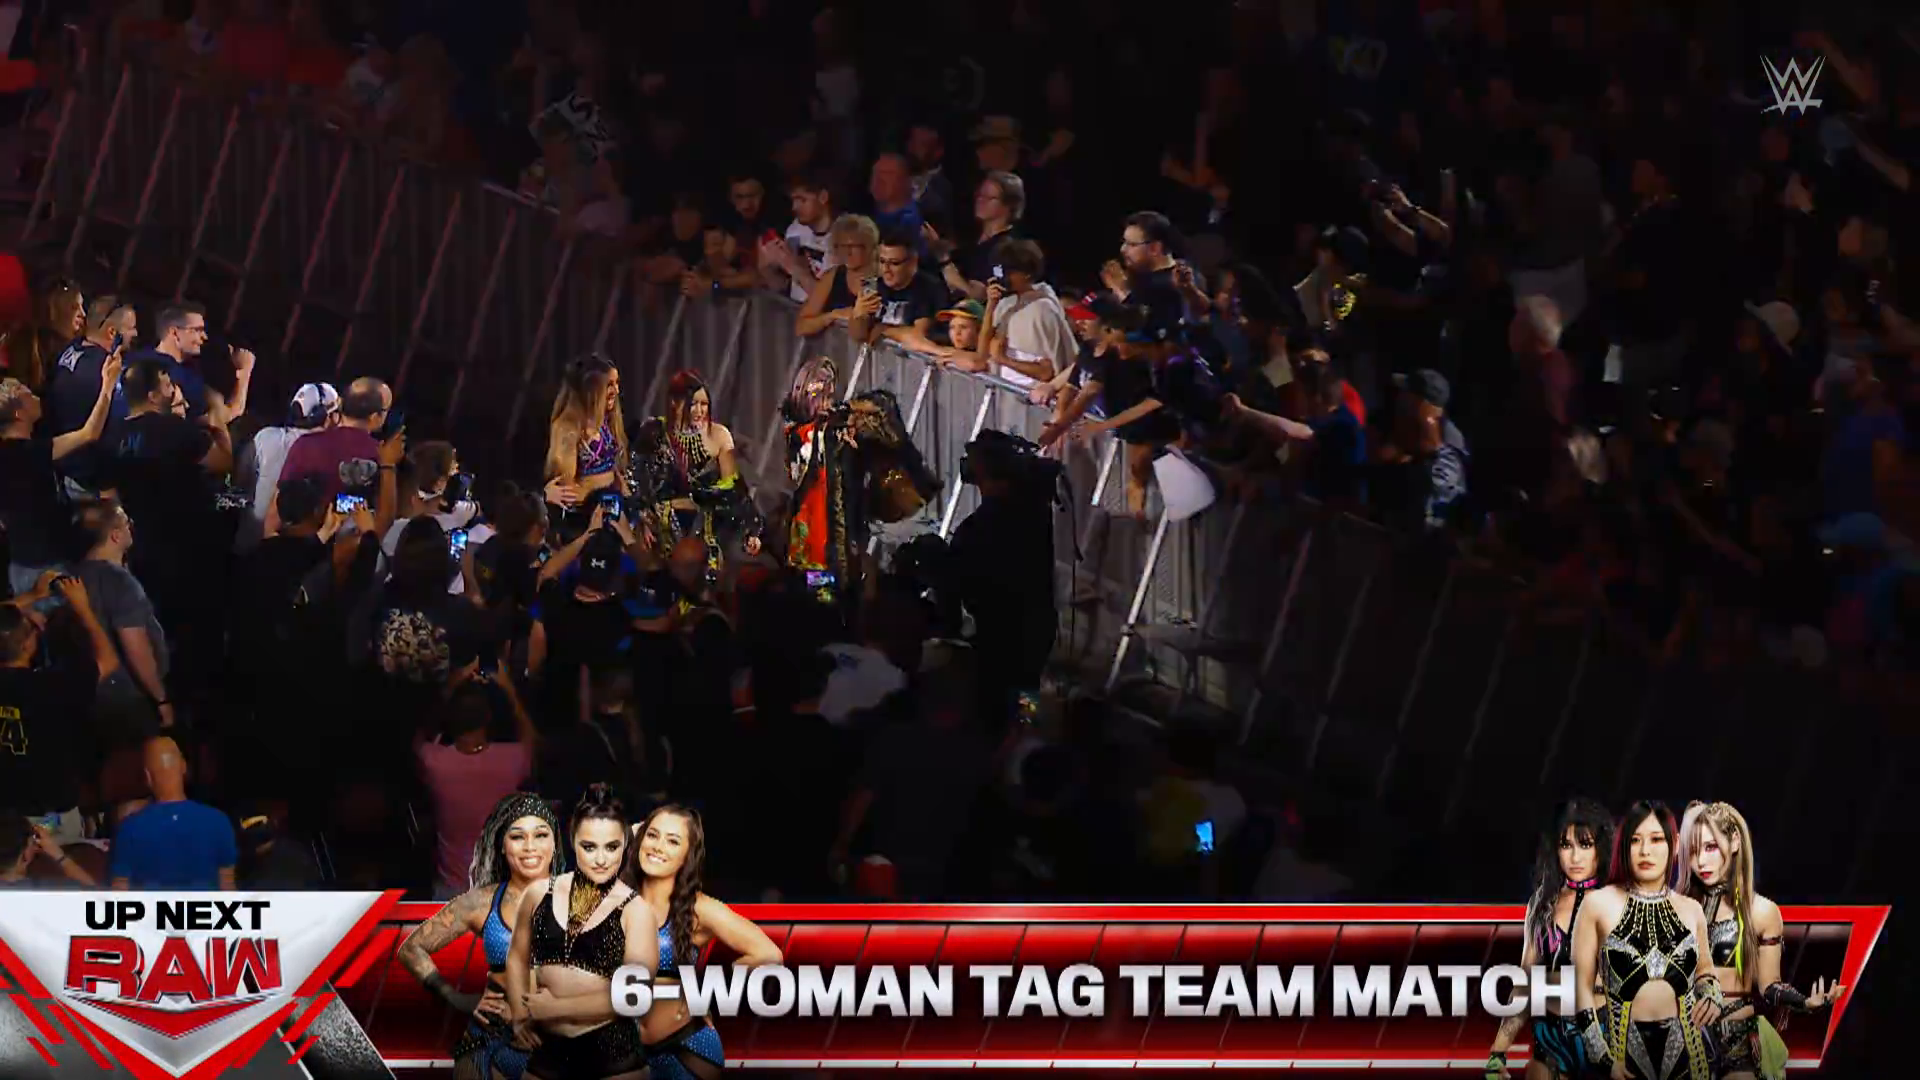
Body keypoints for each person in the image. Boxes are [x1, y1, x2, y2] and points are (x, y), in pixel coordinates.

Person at [398, 792, 563, 1080]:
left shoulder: (581, 899)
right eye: (517, 836)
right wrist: (454, 997)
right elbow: (411, 949)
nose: (530, 847)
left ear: (554, 843)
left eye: (540, 835)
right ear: (502, 846)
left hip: (556, 1044)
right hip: (488, 1041)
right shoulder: (480, 903)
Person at [1677, 802, 1846, 1080]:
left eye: (1710, 847)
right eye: (1693, 851)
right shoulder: (1678, 908)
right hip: (1685, 1043)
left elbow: (1769, 986)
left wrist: (1805, 1003)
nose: (1701, 862)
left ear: (1734, 841)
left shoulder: (1762, 912)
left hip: (1738, 1044)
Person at [505, 785, 655, 1080]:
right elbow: (516, 957)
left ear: (625, 844)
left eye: (611, 847)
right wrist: (520, 1017)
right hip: (547, 1050)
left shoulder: (635, 909)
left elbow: (634, 995)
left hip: (613, 1055)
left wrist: (554, 1009)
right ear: (573, 841)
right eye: (589, 847)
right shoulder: (538, 894)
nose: (601, 859)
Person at [631, 804, 782, 1079]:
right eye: (652, 835)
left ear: (687, 855)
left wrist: (706, 992)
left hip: (687, 1048)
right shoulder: (617, 898)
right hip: (629, 1054)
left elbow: (768, 954)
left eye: (673, 841)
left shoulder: (698, 909)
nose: (658, 847)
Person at [1571, 800, 1719, 1080]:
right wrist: (1603, 1058)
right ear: (1624, 846)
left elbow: (1705, 971)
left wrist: (1712, 994)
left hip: (1691, 1057)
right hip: (1621, 1058)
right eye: (1635, 840)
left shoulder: (1692, 909)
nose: (1645, 851)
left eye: (1656, 839)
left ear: (1674, 844)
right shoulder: (1596, 905)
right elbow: (1580, 988)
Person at [1486, 798, 1615, 1079]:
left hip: (1605, 1039)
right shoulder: (1542, 903)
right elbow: (1525, 983)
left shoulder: (1617, 903)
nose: (1575, 857)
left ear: (1600, 848)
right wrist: (1498, 1053)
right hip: (1550, 1041)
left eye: (1585, 845)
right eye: (1566, 845)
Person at [948, 430, 1058, 724]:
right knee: (1027, 693)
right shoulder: (1036, 514)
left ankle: (1003, 735)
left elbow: (957, 585)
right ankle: (1025, 729)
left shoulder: (976, 530)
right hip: (1036, 629)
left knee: (994, 706)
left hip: (1000, 635)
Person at [0, 576, 120, 843]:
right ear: (27, 645)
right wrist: (83, 608)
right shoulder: (53, 685)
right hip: (48, 820)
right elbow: (108, 661)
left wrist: (32, 596)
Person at [1, 346, 122, 592]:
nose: (37, 398)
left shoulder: (13, 452)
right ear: (18, 413)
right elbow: (89, 433)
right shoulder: (26, 453)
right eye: (29, 395)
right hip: (45, 568)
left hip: (22, 562)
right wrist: (108, 384)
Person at [418, 669, 540, 899]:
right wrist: (509, 690)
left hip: (451, 894)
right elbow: (533, 740)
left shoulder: (435, 762)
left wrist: (448, 690)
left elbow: (419, 737)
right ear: (488, 718)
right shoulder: (510, 760)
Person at [632, 370, 762, 575]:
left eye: (704, 404)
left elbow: (733, 490)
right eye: (693, 404)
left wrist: (751, 530)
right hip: (661, 529)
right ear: (674, 402)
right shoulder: (653, 432)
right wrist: (642, 519)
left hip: (705, 529)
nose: (700, 411)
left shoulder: (719, 435)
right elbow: (636, 480)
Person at [70, 498, 174, 732]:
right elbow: (135, 647)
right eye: (127, 523)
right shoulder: (120, 582)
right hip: (127, 699)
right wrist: (160, 698)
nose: (131, 527)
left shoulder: (72, 577)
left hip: (85, 696)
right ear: (115, 535)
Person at [110, 735, 239, 890]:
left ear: (147, 777)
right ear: (183, 767)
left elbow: (119, 894)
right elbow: (228, 890)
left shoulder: (129, 829)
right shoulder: (219, 822)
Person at [235, 382, 338, 553]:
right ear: (327, 417)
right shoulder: (328, 450)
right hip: (294, 550)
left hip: (248, 538)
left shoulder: (265, 436)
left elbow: (240, 480)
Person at [544, 355, 628, 537]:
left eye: (617, 383)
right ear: (591, 389)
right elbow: (566, 487)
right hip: (584, 520)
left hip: (613, 508)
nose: (616, 390)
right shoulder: (568, 427)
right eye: (610, 385)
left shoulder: (608, 419)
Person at [794, 214, 879, 338]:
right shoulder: (833, 276)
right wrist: (832, 316)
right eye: (842, 246)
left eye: (853, 246)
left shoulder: (884, 279)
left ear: (869, 247)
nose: (847, 252)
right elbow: (801, 326)